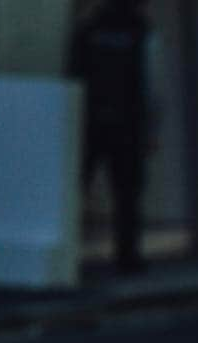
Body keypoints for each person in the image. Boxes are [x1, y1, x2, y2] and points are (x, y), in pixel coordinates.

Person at [70, 0, 164, 274]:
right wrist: (152, 130)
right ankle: (127, 256)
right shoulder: (140, 31)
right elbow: (152, 85)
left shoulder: (89, 29)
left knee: (79, 189)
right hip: (128, 125)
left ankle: (71, 253)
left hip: (90, 123)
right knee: (128, 193)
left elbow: (73, 73)